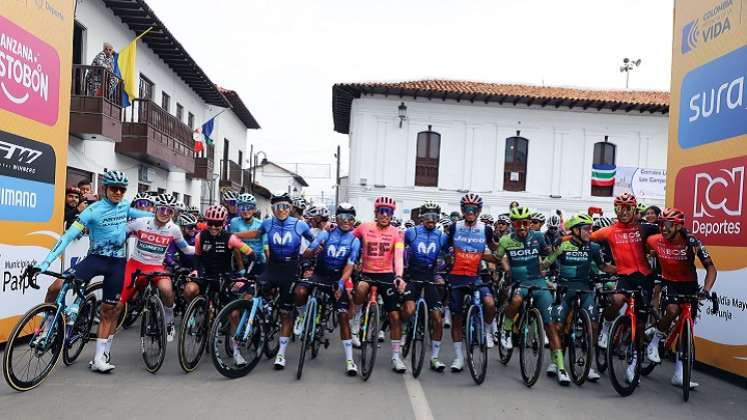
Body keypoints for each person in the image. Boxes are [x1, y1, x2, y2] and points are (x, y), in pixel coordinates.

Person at [32, 170, 151, 373]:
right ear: (105, 189)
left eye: (122, 189)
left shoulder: (125, 207)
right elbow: (68, 236)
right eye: (114, 188)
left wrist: (166, 216)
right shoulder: (92, 210)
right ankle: (46, 328)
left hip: (117, 264)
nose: (118, 193)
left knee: (111, 310)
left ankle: (100, 357)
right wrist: (46, 261)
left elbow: (151, 217)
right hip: (95, 259)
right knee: (56, 286)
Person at [233, 191, 315, 369]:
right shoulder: (268, 223)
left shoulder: (300, 225)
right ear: (273, 208)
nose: (281, 210)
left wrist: (313, 256)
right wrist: (234, 236)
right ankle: (263, 314)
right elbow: (255, 233)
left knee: (286, 314)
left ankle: (281, 354)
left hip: (291, 270)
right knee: (255, 294)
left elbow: (314, 242)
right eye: (277, 207)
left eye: (285, 206)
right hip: (271, 268)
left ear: (290, 208)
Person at [494, 206, 569, 384]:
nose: (522, 227)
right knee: (517, 299)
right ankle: (506, 329)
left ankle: (560, 367)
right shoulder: (506, 240)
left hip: (538, 281)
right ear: (512, 224)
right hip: (519, 283)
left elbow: (547, 256)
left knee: (550, 324)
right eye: (518, 223)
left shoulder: (538, 237)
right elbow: (498, 258)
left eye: (525, 223)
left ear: (529, 224)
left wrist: (555, 253)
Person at [645, 208, 716, 389]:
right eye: (661, 224)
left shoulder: (692, 242)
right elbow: (641, 250)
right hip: (670, 283)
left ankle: (678, 374)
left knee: (686, 333)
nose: (663, 228)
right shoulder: (654, 240)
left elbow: (711, 268)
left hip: (689, 286)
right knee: (672, 310)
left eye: (668, 225)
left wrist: (706, 290)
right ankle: (655, 341)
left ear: (678, 226)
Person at [591, 192, 658, 383]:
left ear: (634, 209)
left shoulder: (645, 228)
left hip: (645, 279)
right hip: (625, 276)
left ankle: (634, 362)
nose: (624, 212)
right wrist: (562, 240)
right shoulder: (610, 231)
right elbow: (587, 238)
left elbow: (670, 232)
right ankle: (605, 327)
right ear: (615, 210)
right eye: (620, 208)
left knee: (641, 324)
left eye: (628, 208)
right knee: (617, 299)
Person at [544, 213, 616, 382]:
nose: (589, 231)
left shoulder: (594, 248)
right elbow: (547, 263)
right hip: (565, 289)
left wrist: (623, 270)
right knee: (559, 326)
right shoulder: (563, 245)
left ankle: (587, 365)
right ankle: (556, 361)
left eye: (590, 228)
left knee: (593, 324)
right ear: (575, 230)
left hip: (585, 290)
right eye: (586, 229)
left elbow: (603, 266)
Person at [117, 193, 194, 347]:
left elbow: (186, 250)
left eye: (169, 211)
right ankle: (103, 352)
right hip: (135, 266)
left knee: (167, 290)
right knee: (117, 306)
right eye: (162, 209)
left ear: (173, 213)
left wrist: (203, 247)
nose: (165, 213)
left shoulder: (174, 229)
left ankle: (169, 318)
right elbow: (119, 236)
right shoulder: (140, 222)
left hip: (156, 268)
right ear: (155, 209)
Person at [190, 204, 255, 365]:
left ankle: (236, 351)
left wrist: (245, 276)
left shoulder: (230, 238)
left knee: (233, 314)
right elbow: (197, 256)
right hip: (206, 276)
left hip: (224, 278)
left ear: (223, 223)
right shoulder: (200, 236)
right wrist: (196, 271)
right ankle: (194, 317)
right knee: (189, 289)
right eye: (210, 223)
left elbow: (251, 254)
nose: (213, 227)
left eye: (217, 224)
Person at [303, 203, 361, 375]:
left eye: (350, 218)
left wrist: (342, 283)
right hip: (319, 274)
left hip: (337, 279)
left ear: (353, 221)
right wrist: (314, 249)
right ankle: (302, 318)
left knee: (343, 317)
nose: (346, 221)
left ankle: (350, 360)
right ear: (337, 218)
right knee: (299, 291)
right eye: (342, 217)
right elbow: (308, 252)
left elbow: (350, 266)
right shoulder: (327, 233)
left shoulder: (354, 241)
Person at [352, 196, 407, 373]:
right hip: (367, 273)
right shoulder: (364, 227)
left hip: (386, 275)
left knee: (395, 317)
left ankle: (396, 356)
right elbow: (349, 240)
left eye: (389, 212)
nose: (385, 215)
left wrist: (399, 276)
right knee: (360, 289)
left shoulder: (397, 233)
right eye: (382, 211)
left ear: (392, 214)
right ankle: (357, 319)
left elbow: (398, 256)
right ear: (376, 213)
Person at [445, 193, 497, 372]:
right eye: (467, 208)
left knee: (489, 304)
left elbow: (495, 250)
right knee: (457, 319)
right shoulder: (454, 227)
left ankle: (487, 330)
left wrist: (501, 260)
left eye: (474, 209)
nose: (470, 212)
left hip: (477, 276)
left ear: (479, 211)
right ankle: (459, 357)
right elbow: (445, 248)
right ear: (462, 210)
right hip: (457, 276)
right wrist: (447, 260)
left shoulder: (486, 229)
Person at [402, 201, 449, 372]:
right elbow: (398, 249)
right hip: (412, 276)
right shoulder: (410, 232)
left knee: (437, 318)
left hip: (430, 277)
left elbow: (447, 255)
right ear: (421, 217)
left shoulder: (441, 236)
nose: (431, 219)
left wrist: (441, 271)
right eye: (428, 216)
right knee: (408, 310)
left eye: (435, 216)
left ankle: (434, 357)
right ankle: (406, 329)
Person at [229, 193, 267, 277]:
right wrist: (241, 267)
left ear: (254, 210)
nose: (245, 211)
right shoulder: (234, 222)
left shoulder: (261, 224)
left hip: (259, 260)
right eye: (242, 207)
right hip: (242, 260)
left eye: (249, 207)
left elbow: (265, 246)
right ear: (238, 209)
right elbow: (234, 245)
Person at [165, 212, 199, 291]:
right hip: (181, 267)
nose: (194, 229)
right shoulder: (176, 238)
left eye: (195, 226)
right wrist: (175, 265)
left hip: (195, 267)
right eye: (190, 227)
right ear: (182, 228)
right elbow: (168, 256)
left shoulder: (198, 236)